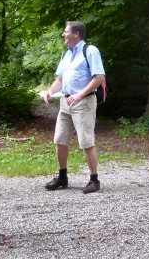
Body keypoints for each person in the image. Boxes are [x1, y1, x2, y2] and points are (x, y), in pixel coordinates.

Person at [43, 21, 106, 194]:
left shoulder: (90, 51)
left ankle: (94, 180)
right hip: (66, 103)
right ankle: (62, 177)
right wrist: (50, 91)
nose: (63, 34)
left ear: (76, 33)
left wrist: (79, 94)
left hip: (84, 102)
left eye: (65, 32)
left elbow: (99, 77)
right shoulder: (66, 55)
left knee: (86, 141)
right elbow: (61, 80)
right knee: (60, 140)